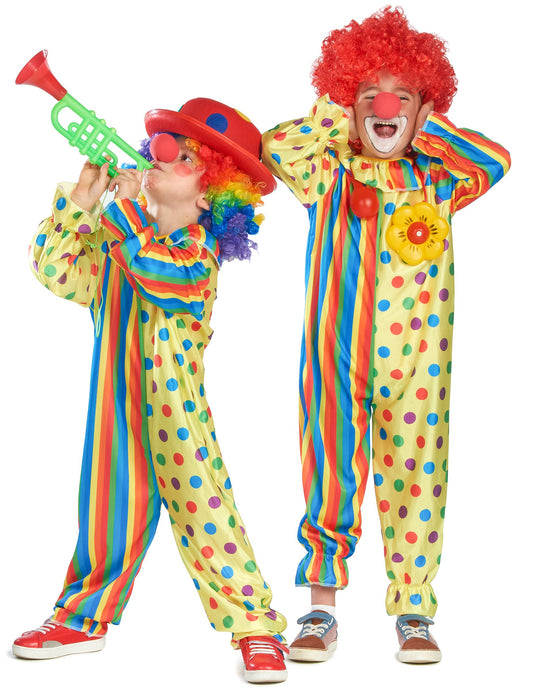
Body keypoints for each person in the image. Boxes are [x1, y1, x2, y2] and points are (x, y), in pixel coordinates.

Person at [262, 7, 510, 664]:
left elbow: (497, 160)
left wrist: (434, 127)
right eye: (369, 92)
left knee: (417, 477)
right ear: (349, 102)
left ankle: (414, 609)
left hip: (418, 362)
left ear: (424, 104)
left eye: (402, 94)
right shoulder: (327, 171)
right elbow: (274, 146)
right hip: (335, 356)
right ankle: (320, 608)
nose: (385, 106)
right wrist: (332, 114)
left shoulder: (441, 176)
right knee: (328, 475)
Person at [13, 97, 288, 684]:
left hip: (177, 416)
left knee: (208, 516)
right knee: (105, 515)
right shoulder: (116, 245)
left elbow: (157, 270)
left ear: (210, 195)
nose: (160, 157)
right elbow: (53, 270)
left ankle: (256, 626)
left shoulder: (197, 257)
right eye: (163, 148)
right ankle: (81, 617)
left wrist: (124, 210)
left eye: (184, 158)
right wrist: (80, 203)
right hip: (115, 409)